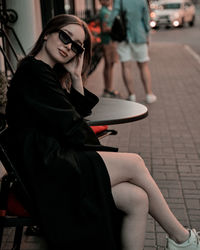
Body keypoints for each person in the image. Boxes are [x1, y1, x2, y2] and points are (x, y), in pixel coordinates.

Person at [5, 14, 200, 250]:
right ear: (47, 33)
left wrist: (76, 77)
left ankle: (182, 241)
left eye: (76, 46)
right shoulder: (35, 72)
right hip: (45, 172)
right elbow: (73, 128)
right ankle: (183, 240)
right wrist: (94, 149)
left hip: (49, 163)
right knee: (134, 163)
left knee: (137, 199)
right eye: (65, 37)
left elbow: (69, 115)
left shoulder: (43, 71)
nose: (69, 47)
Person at [110, 0, 157, 103]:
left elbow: (113, 16)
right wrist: (147, 34)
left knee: (126, 66)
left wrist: (110, 30)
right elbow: (146, 18)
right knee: (143, 65)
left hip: (122, 36)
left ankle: (131, 95)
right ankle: (149, 94)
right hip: (139, 35)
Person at [98, 0, 120, 98]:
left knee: (109, 65)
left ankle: (108, 88)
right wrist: (118, 28)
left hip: (108, 41)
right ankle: (108, 89)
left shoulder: (105, 10)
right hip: (108, 41)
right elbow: (105, 28)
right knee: (109, 65)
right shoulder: (104, 12)